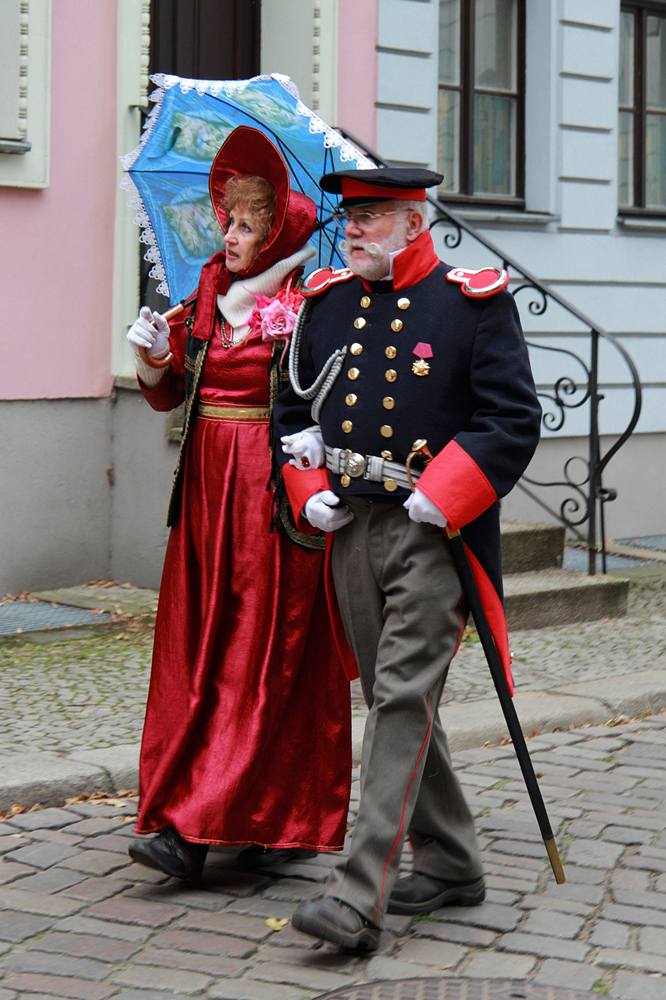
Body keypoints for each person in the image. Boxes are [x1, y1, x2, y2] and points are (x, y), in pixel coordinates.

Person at [273, 167, 542, 950]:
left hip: (435, 534)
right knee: (396, 701)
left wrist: (451, 489)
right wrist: (306, 481)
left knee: (398, 699)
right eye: (351, 220)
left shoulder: (471, 304)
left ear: (414, 226)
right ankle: (455, 864)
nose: (352, 232)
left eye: (372, 219)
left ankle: (358, 899)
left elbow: (511, 417)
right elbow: (290, 406)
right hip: (354, 526)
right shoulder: (326, 305)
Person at [124, 126, 351, 881]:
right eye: (227, 217)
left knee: (259, 654)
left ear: (278, 225)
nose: (231, 232)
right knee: (198, 648)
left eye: (248, 220)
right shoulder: (208, 294)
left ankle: (215, 824)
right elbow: (168, 395)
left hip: (266, 500)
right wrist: (153, 354)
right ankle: (211, 807)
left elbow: (323, 409)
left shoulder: (305, 303)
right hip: (203, 495)